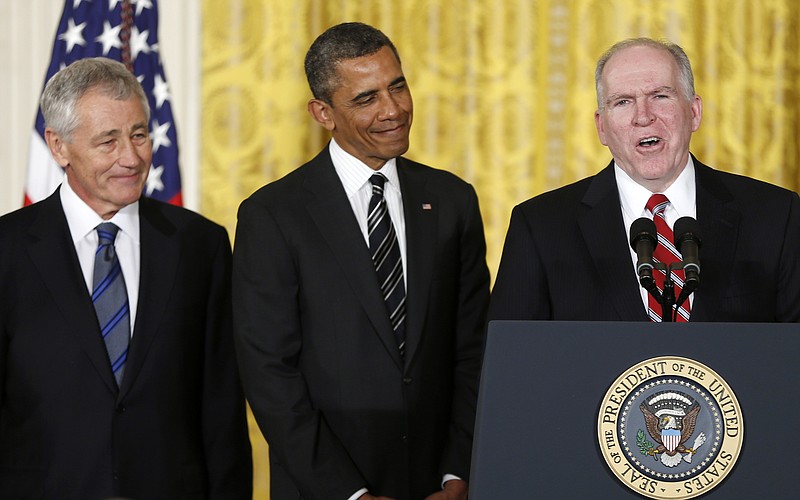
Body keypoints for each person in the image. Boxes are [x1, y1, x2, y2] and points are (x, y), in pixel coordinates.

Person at [232, 22, 490, 500]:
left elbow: (473, 349)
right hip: (327, 487)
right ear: (323, 112)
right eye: (366, 98)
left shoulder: (453, 200)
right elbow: (269, 373)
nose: (393, 110)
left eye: (397, 86)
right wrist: (347, 493)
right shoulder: (272, 215)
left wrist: (460, 471)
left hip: (440, 486)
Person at [0, 57, 252, 498]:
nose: (132, 158)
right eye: (107, 142)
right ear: (58, 147)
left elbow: (220, 406)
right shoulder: (7, 250)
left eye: (138, 135)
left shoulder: (200, 245)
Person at [489, 37, 800, 322]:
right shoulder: (540, 226)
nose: (643, 116)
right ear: (601, 127)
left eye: (660, 96)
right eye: (623, 101)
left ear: (694, 112)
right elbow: (511, 363)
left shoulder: (775, 214)